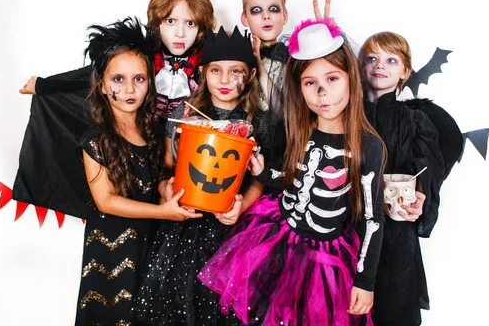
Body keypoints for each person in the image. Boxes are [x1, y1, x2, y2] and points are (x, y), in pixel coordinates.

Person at [198, 18, 386, 326]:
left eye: (332, 79)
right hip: (276, 238)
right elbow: (290, 181)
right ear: (299, 89)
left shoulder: (368, 146)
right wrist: (261, 173)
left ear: (351, 77)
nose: (323, 93)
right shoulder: (300, 130)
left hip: (324, 259)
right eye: (310, 83)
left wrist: (365, 281)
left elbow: (373, 219)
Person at [13, 0, 217, 217]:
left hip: (182, 167)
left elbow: (234, 71)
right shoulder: (141, 58)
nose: (180, 33)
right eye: (171, 21)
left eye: (190, 24)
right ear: (156, 23)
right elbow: (94, 72)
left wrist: (199, 7)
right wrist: (46, 85)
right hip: (139, 156)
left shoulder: (206, 63)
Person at [133, 25, 275, 326]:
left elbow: (260, 182)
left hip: (235, 232)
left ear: (249, 76)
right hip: (186, 227)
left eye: (235, 71)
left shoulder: (259, 124)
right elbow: (165, 170)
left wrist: (242, 206)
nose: (225, 80)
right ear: (202, 74)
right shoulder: (183, 119)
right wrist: (165, 191)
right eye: (215, 71)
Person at [72, 17, 201, 325]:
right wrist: (164, 213)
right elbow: (106, 200)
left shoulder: (150, 132)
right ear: (102, 85)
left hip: (147, 247)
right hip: (109, 249)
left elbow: (152, 176)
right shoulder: (96, 139)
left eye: (139, 79)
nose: (130, 88)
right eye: (118, 79)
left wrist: (163, 190)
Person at [358, 31, 462, 326]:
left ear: (405, 71)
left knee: (392, 309)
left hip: (395, 236)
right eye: (372, 58)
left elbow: (429, 168)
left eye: (391, 60)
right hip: (350, 230)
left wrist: (421, 196)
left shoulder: (416, 119)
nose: (380, 65)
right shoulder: (347, 113)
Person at [239, 0, 289, 107]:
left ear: (284, 16)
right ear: (245, 18)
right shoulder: (238, 57)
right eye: (256, 10)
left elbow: (284, 111)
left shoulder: (294, 60)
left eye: (273, 9)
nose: (266, 16)